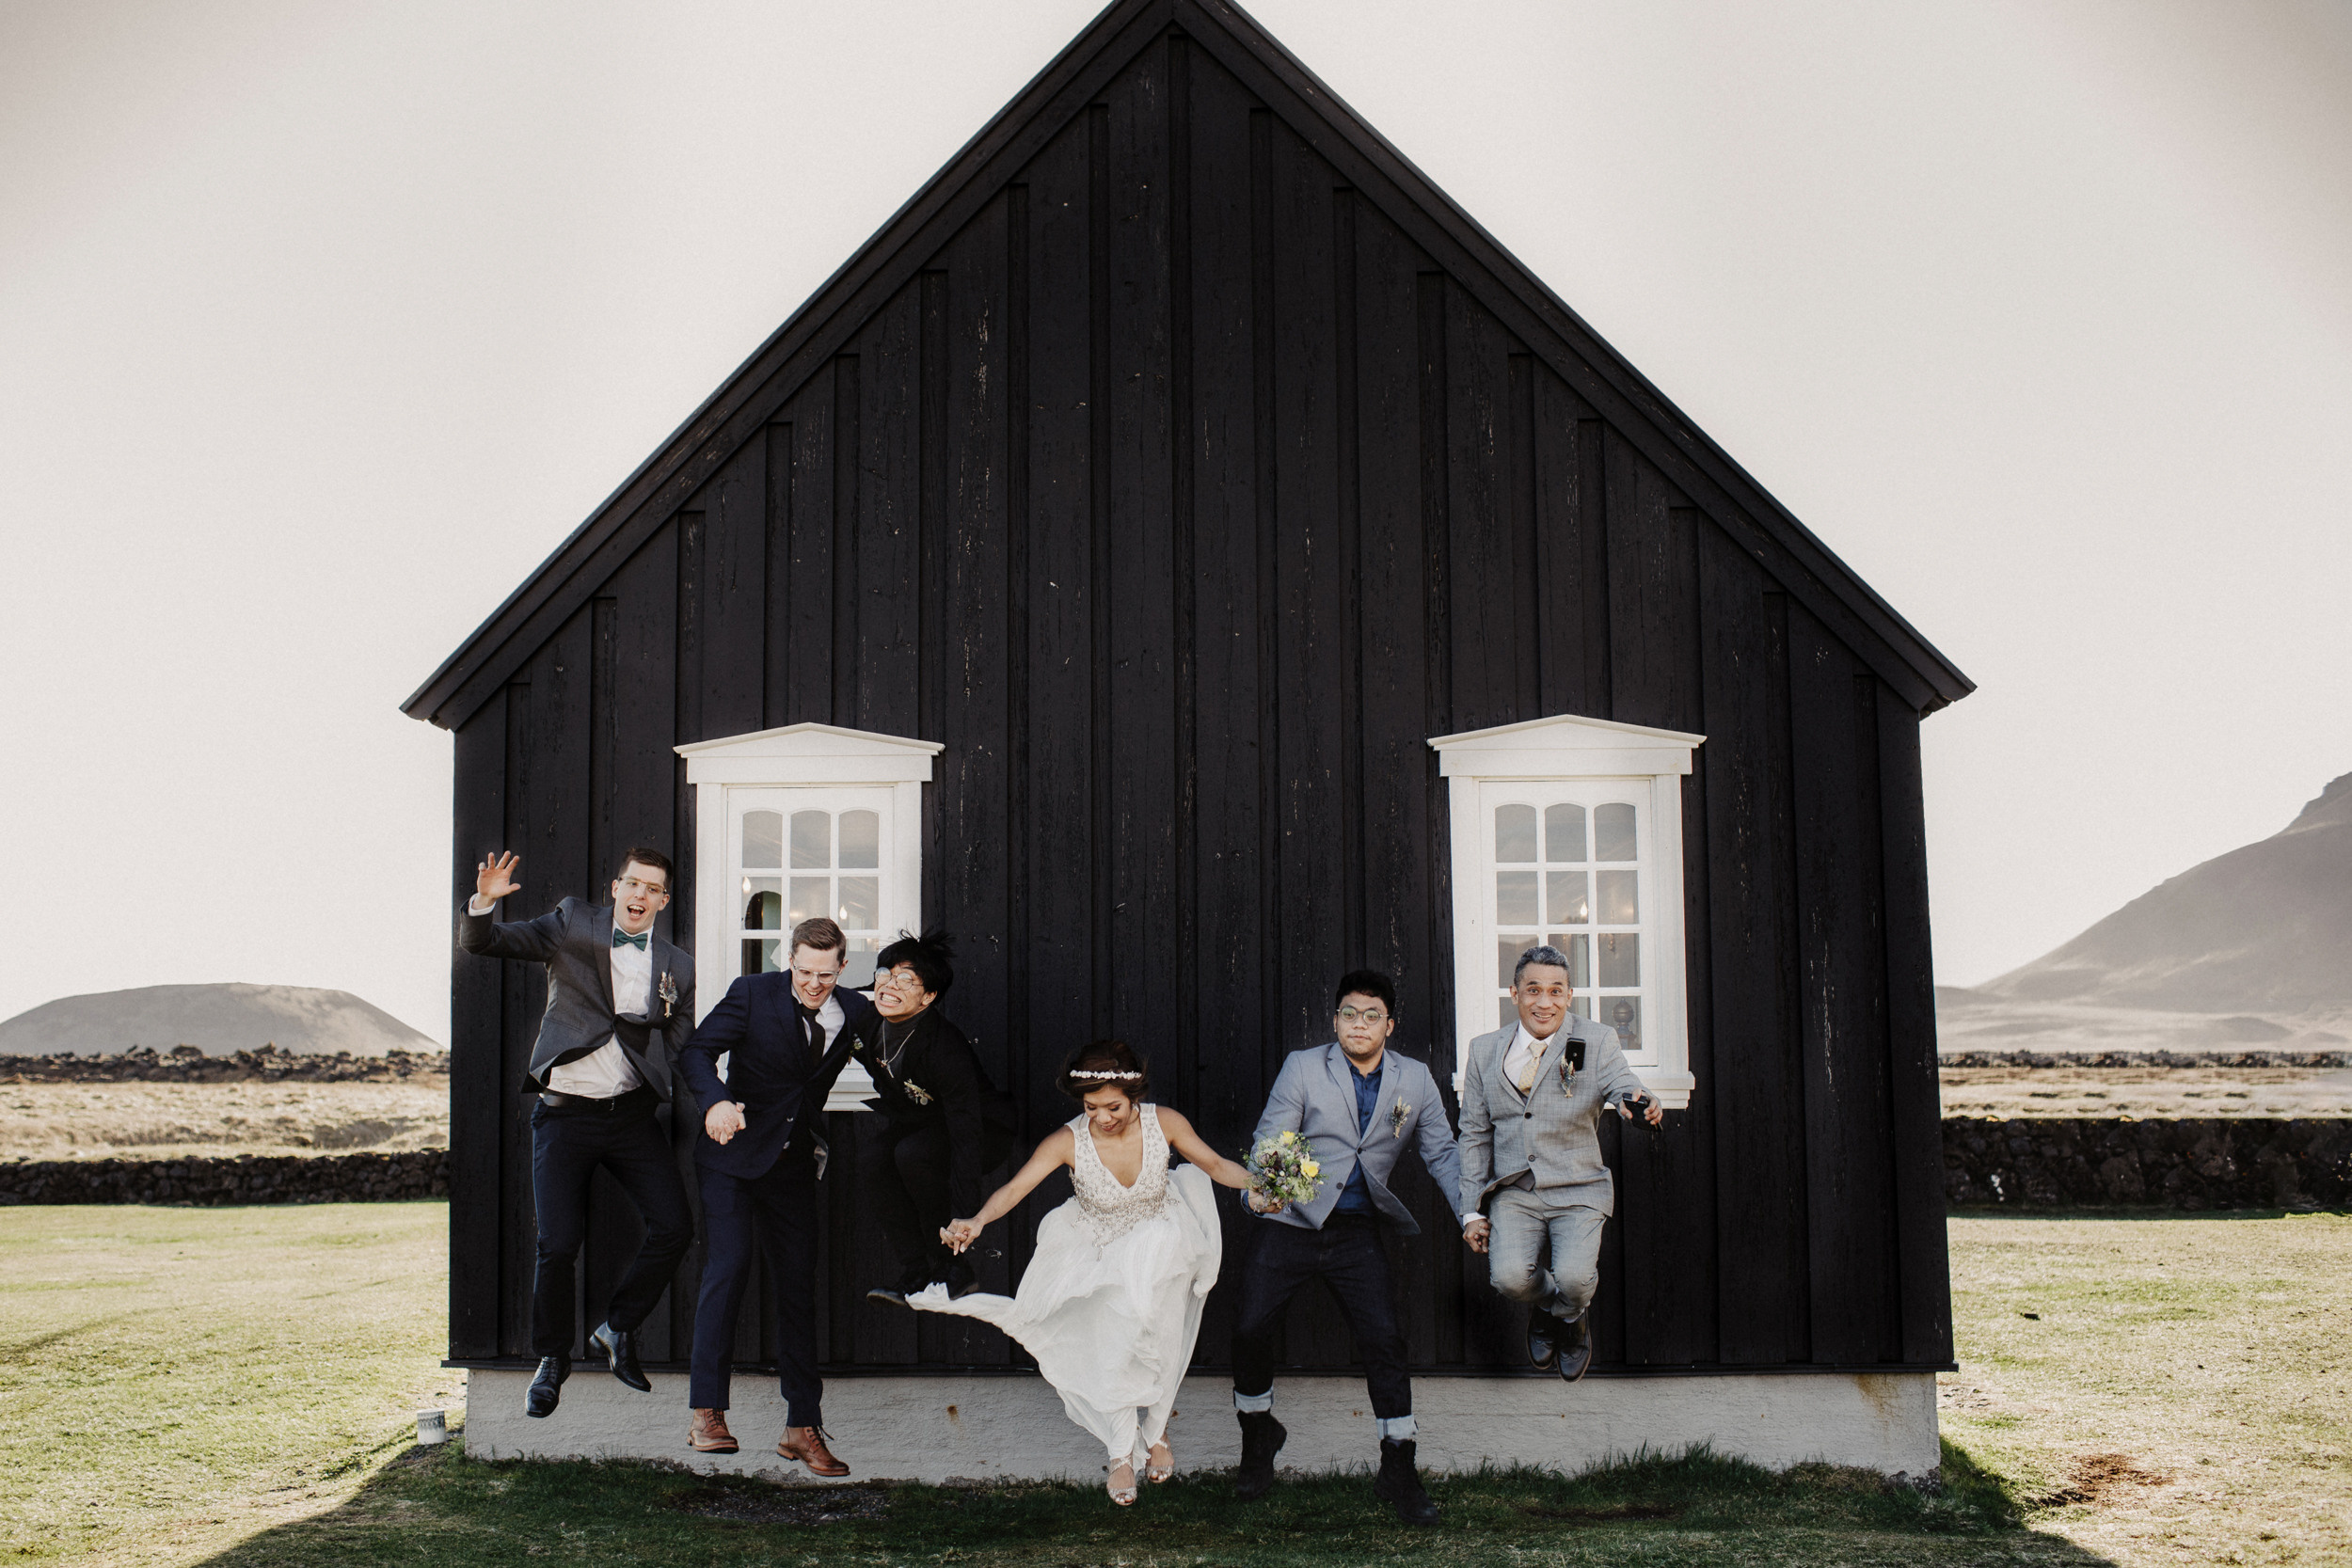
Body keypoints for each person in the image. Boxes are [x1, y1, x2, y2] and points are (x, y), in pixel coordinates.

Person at [922, 1040, 1263, 1506]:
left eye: (1114, 1106)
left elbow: (1218, 1166)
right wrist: (977, 1221)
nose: (1103, 1117)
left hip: (1160, 1243)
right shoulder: (1067, 1141)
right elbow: (1016, 1188)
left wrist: (1270, 1184)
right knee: (1113, 1349)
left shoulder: (1166, 1123)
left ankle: (1156, 1432)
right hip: (1096, 1248)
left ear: (1134, 1095)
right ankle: (1122, 1453)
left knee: (1158, 1336)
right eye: (1091, 1107)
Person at [458, 847, 694, 1418]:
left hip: (631, 1116)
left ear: (664, 901)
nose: (640, 895)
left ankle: (618, 1328)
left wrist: (726, 1097)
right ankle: (552, 1360)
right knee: (557, 1243)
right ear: (616, 888)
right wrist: (484, 903)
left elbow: (686, 1046)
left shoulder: (677, 965)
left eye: (653, 888)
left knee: (675, 1226)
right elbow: (485, 942)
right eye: (632, 883)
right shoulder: (572, 923)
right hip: (565, 1115)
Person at [1229, 969, 1462, 1526]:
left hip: (1358, 1231)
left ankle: (1398, 1470)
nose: (1360, 1024)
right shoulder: (1304, 1067)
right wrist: (1262, 1194)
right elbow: (1271, 1138)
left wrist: (1471, 1216)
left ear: (1389, 1025)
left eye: (1372, 1015)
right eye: (1350, 1014)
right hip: (1290, 1222)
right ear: (1335, 1021)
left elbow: (1444, 1155)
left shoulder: (1416, 1079)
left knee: (1385, 1340)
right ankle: (1259, 1436)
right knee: (1248, 1330)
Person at [675, 916, 871, 1475]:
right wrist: (715, 1101)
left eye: (826, 975)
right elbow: (695, 1052)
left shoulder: (854, 1011)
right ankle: (706, 1412)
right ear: (791, 961)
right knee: (728, 1267)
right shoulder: (751, 992)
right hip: (731, 1156)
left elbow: (889, 1059)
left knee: (797, 1289)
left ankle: (801, 1426)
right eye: (805, 971)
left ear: (842, 968)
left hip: (792, 1165)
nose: (814, 983)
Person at [1458, 943, 1665, 1384]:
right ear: (1514, 994)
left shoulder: (1596, 1040)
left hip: (1578, 1186)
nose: (1544, 1002)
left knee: (1574, 1278)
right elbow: (1474, 1134)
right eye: (1533, 990)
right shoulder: (1483, 1051)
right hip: (1516, 1190)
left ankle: (1570, 1315)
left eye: (1556, 991)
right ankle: (1549, 1306)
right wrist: (1472, 1209)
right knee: (1510, 1279)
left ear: (1569, 996)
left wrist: (1640, 1103)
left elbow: (1623, 1085)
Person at [847, 931, 1018, 1304]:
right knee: (873, 1158)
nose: (890, 986)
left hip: (982, 1129)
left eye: (906, 980)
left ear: (927, 997)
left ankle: (953, 1268)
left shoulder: (944, 1048)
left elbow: (966, 1131)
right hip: (923, 1122)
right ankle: (915, 1269)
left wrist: (963, 1217)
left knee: (914, 1155)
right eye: (885, 974)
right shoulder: (867, 1021)